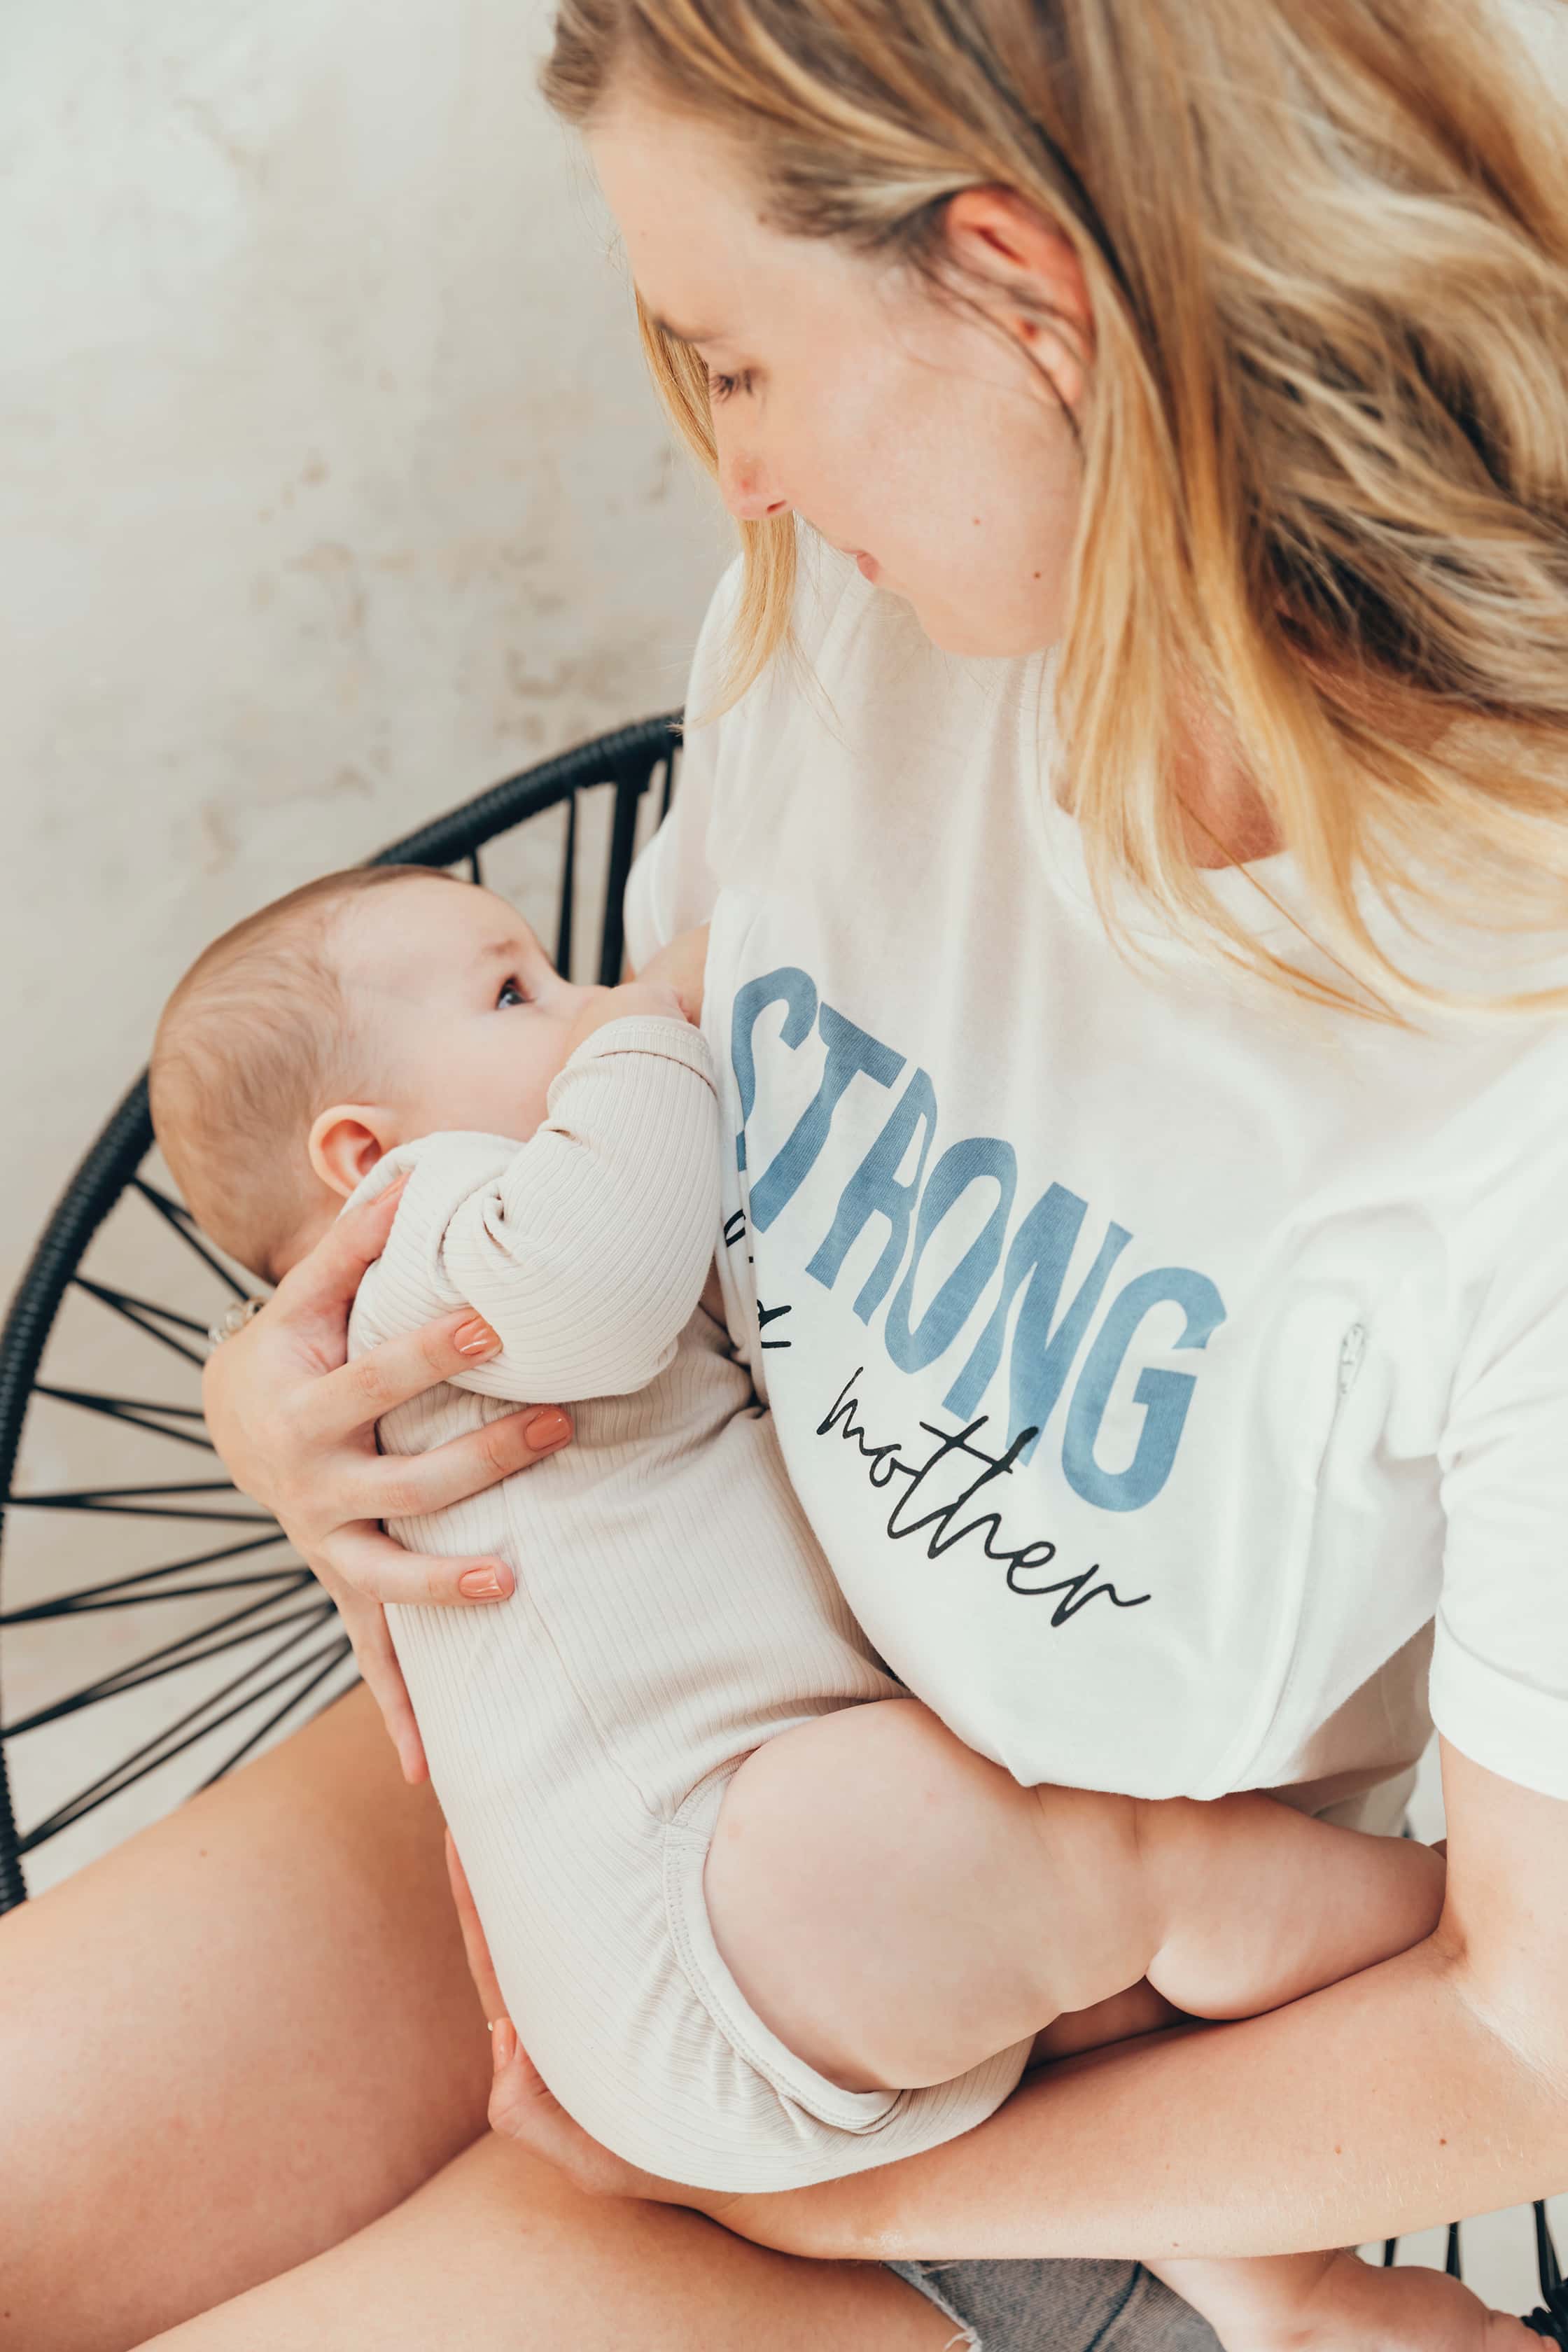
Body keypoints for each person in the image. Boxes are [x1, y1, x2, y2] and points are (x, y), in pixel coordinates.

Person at [4, 0, 1567, 2346]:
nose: (728, 474)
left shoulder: (1511, 1061)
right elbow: (629, 1185)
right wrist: (317, 1379)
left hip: (1038, 2058)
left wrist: (838, 2206)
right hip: (603, 1747)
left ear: (1022, 296)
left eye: (735, 361)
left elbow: (1527, 2034)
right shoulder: (861, 628)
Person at [145, 860, 1459, 2344]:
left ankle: (1298, 2303)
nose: (579, 1007)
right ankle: (1460, 1930)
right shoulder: (441, 1225)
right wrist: (644, 1021)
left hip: (688, 1988)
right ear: (360, 1154)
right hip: (723, 1902)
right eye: (518, 993)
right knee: (1131, 1865)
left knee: (1089, 2005)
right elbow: (605, 1276)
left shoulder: (412, 1297)